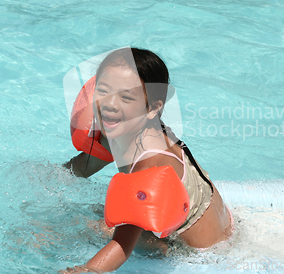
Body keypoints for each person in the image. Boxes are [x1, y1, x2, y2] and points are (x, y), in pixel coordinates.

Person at [61, 48, 234, 273]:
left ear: (152, 108)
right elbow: (81, 167)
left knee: (86, 226)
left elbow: (121, 245)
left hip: (200, 254)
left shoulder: (150, 165)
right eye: (103, 90)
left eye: (125, 97)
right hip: (223, 222)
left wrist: (84, 270)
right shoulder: (132, 126)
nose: (110, 104)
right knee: (103, 210)